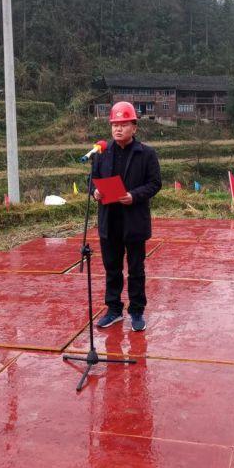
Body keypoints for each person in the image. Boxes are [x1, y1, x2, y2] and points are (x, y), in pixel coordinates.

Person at [92, 101, 162, 332]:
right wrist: (95, 192)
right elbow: (90, 181)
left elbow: (155, 183)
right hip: (109, 220)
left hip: (133, 220)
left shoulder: (146, 153)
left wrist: (134, 195)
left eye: (123, 124)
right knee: (112, 268)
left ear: (134, 127)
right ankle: (113, 310)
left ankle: (137, 311)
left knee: (135, 269)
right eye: (114, 124)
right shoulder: (102, 153)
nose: (118, 129)